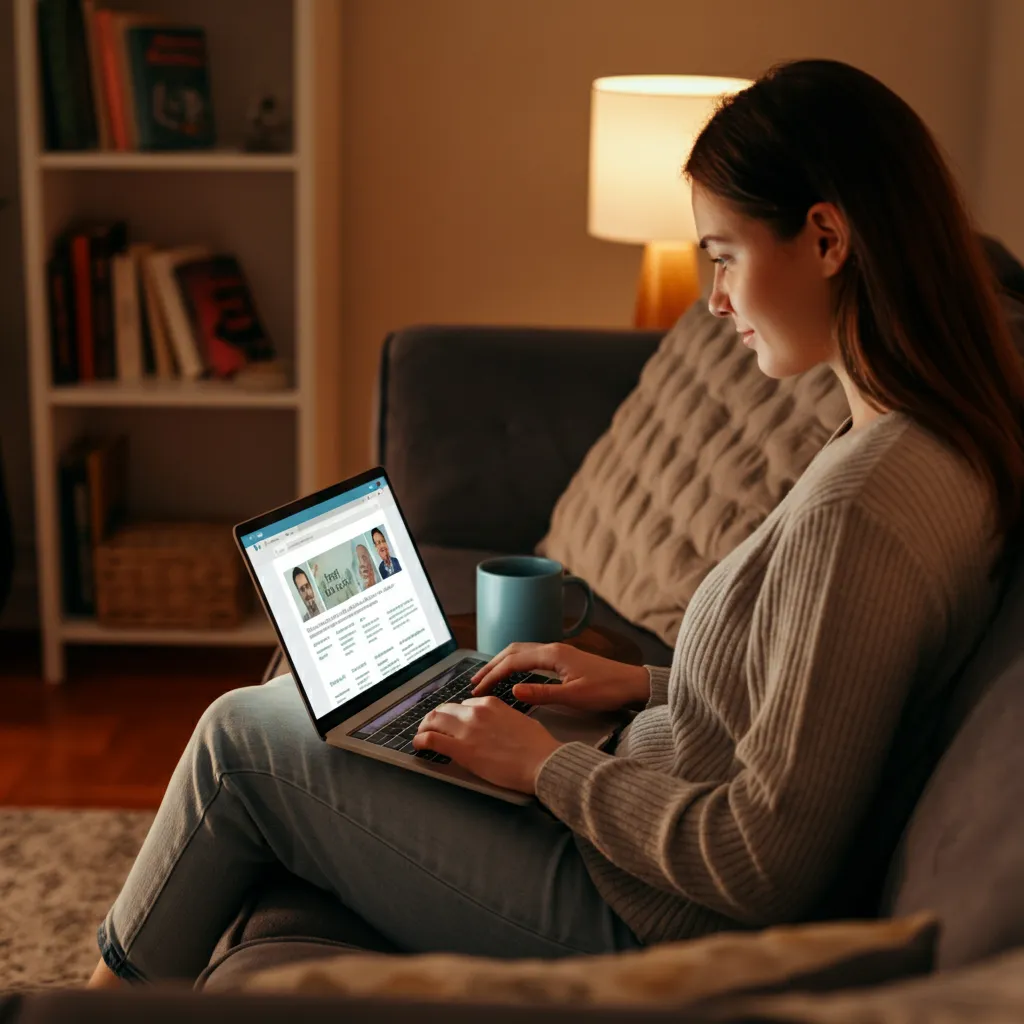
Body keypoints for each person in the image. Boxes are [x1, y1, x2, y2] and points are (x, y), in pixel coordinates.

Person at [89, 58, 1024, 987]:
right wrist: (639, 686)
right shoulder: (936, 439)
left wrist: (543, 770)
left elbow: (761, 864)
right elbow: (815, 710)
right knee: (305, 714)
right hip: (645, 841)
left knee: (239, 743)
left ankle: (86, 1009)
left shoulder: (857, 510)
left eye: (726, 256)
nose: (716, 300)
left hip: (648, 919)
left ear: (826, 239)